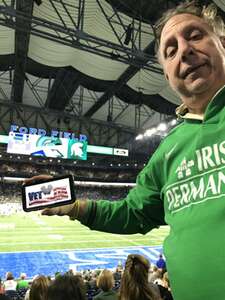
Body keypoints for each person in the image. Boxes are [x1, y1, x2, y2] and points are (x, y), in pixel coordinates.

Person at [27, 1, 225, 299]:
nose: (184, 50)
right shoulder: (168, 149)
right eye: (170, 51)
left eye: (195, 35)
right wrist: (75, 207)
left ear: (222, 42)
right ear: (168, 75)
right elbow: (134, 213)